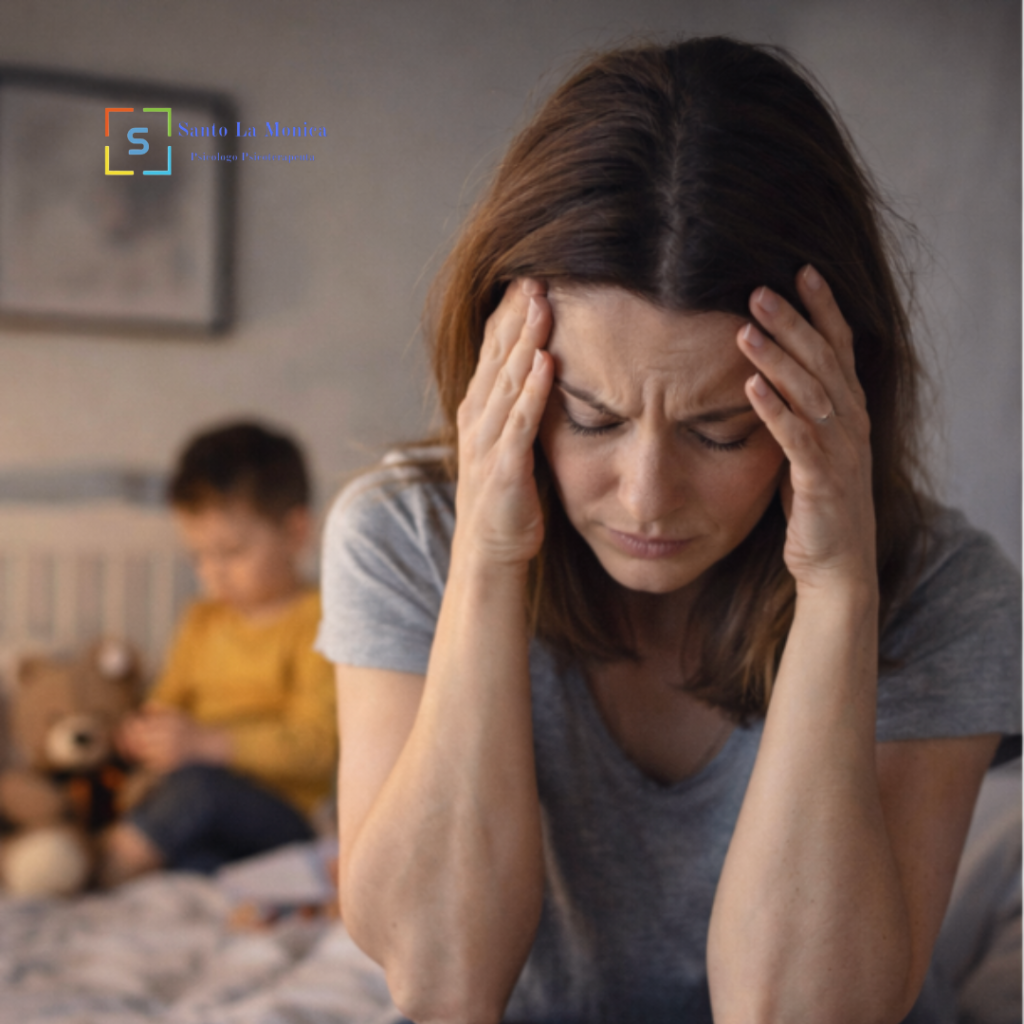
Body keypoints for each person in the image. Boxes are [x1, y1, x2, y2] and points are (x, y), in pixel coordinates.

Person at [316, 37, 1021, 1024]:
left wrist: (834, 589)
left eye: (719, 429)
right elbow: (439, 983)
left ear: (834, 401)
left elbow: (802, 1011)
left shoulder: (947, 590)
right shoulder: (402, 540)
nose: (646, 496)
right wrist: (485, 560)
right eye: (592, 417)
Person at [101, 421, 337, 883]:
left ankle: (103, 869)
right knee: (182, 845)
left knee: (199, 789)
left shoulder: (321, 621)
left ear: (295, 532)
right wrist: (149, 731)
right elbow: (167, 699)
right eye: (199, 557)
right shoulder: (202, 620)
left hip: (283, 813)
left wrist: (207, 745)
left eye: (231, 552)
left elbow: (319, 747)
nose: (213, 574)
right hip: (198, 802)